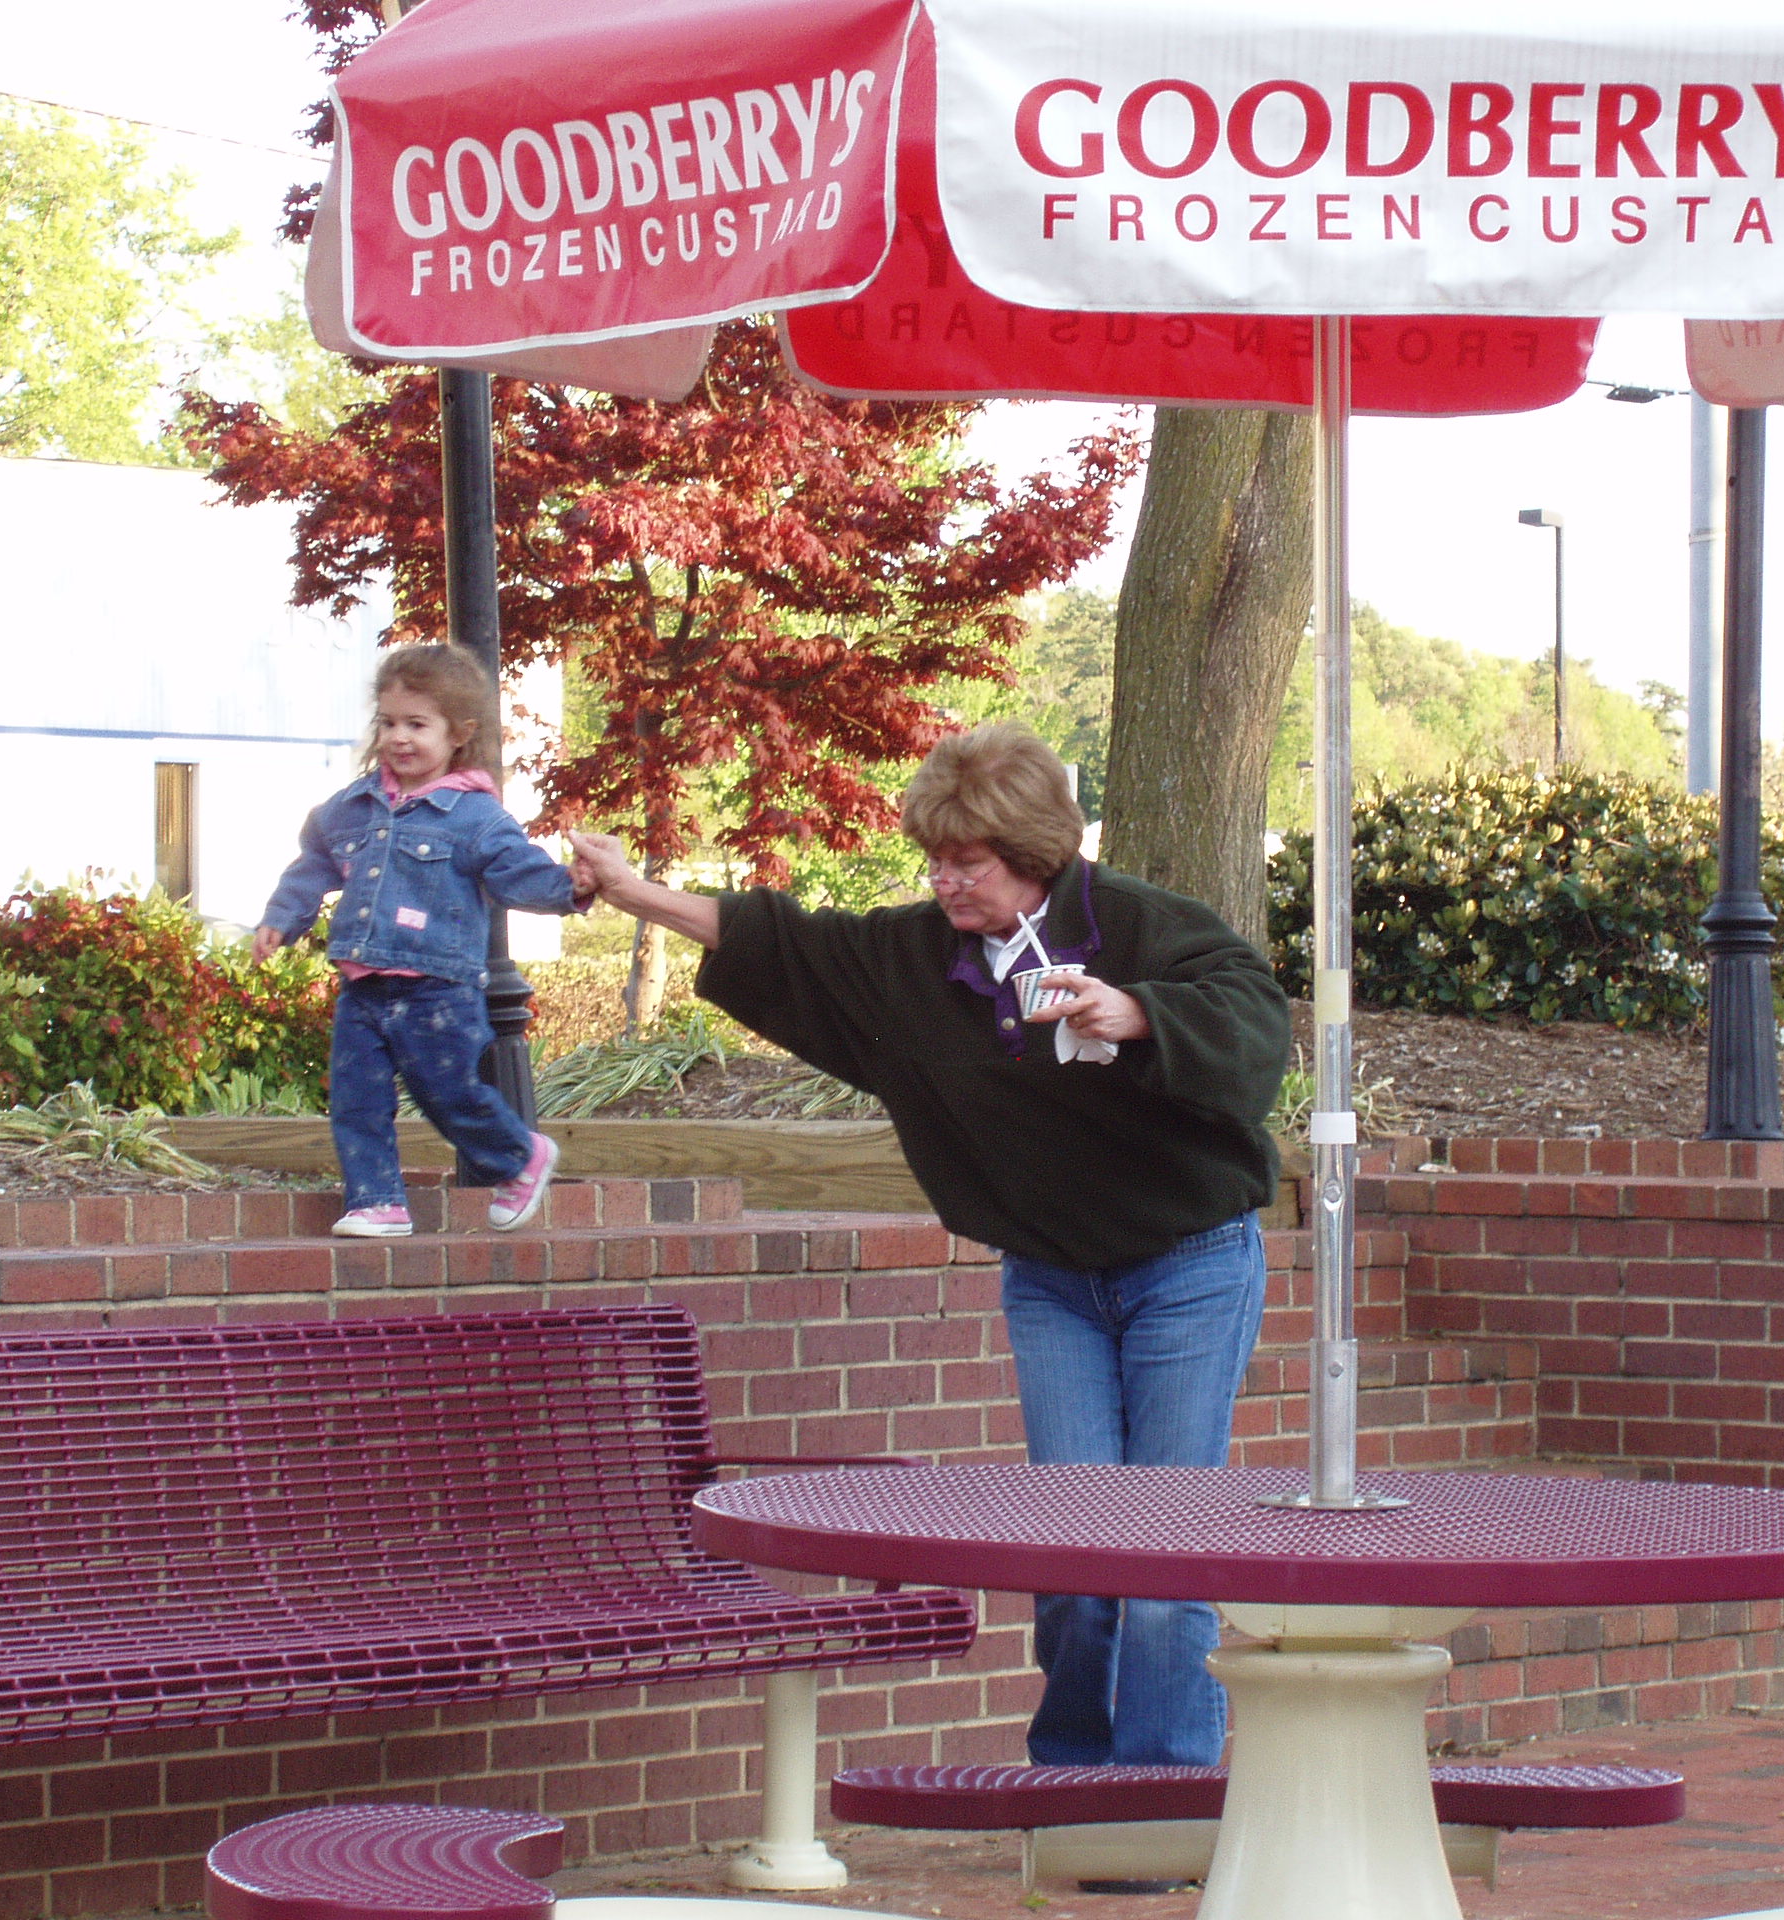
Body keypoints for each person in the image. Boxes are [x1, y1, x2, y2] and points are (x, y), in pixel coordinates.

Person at [567, 719, 1289, 1772]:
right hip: (1052, 1278)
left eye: (970, 863)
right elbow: (784, 943)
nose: (946, 882)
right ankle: (1073, 1786)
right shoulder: (913, 959)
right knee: (1074, 1552)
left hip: (1188, 1266)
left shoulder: (1141, 924)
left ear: (1033, 855)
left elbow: (1249, 1017)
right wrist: (635, 893)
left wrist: (1136, 1013)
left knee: (1165, 1544)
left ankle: (1164, 1793)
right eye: (935, 862)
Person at [256, 644, 583, 1239]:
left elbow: (518, 871)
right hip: (363, 987)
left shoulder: (474, 817)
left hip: (439, 990)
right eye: (388, 723)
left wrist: (572, 887)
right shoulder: (353, 808)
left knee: (447, 1094)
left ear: (459, 734)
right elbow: (314, 863)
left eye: (417, 724)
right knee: (355, 1100)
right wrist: (283, 917)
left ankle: (520, 1156)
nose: (399, 738)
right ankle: (377, 1201)